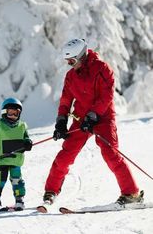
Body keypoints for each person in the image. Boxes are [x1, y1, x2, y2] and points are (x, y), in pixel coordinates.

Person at [43, 38, 143, 206]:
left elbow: (106, 97)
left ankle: (131, 194)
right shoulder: (71, 76)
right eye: (67, 61)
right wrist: (61, 121)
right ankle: (51, 191)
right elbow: (66, 100)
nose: (70, 64)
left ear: (81, 56)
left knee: (111, 154)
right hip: (81, 120)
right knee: (65, 155)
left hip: (103, 118)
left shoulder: (103, 69)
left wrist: (93, 116)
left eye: (72, 61)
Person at [0, 97, 33, 211]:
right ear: (4, 112)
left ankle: (19, 199)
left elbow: (26, 138)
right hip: (1, 160)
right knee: (0, 180)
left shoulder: (22, 126)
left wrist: (28, 143)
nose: (13, 116)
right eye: (10, 113)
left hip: (16, 159)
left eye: (15, 113)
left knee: (17, 179)